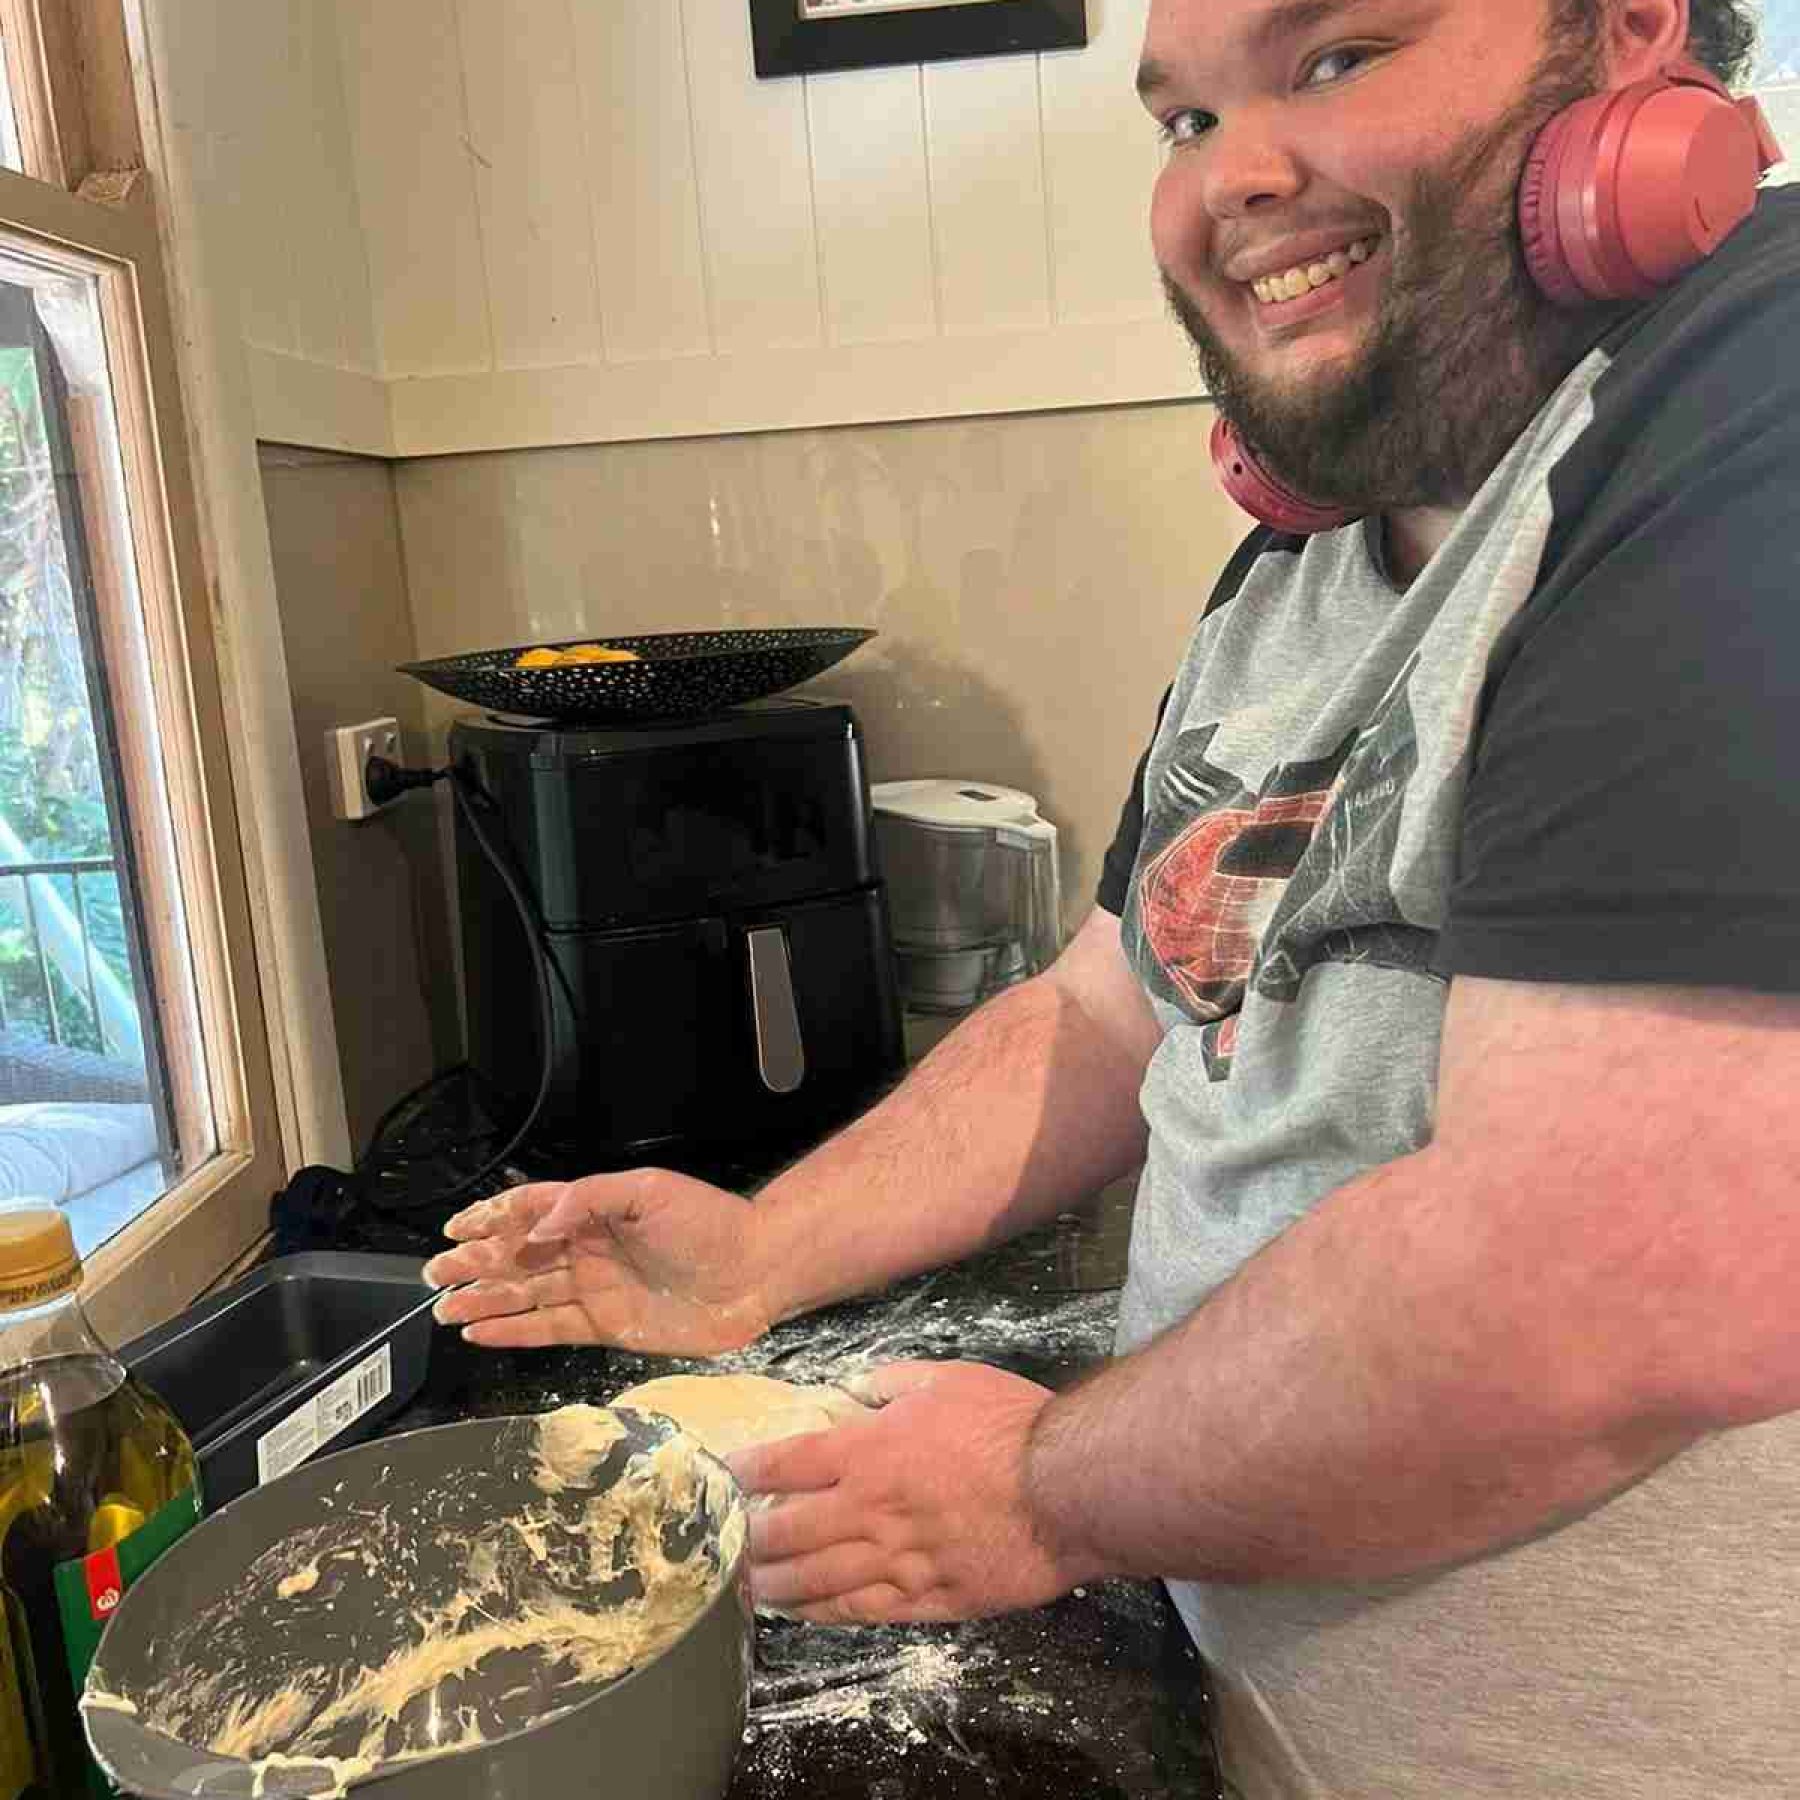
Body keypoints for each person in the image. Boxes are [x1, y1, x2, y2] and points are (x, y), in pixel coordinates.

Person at [423, 1, 1800, 1793]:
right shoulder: (1300, 563)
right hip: (1286, 1708)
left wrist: (1035, 1490)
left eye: (1335, 59)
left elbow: (1608, 1282)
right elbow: (1110, 1002)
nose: (1234, 175)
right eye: (1182, 120)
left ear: (1629, 33)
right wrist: (761, 1252)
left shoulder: (1746, 404)